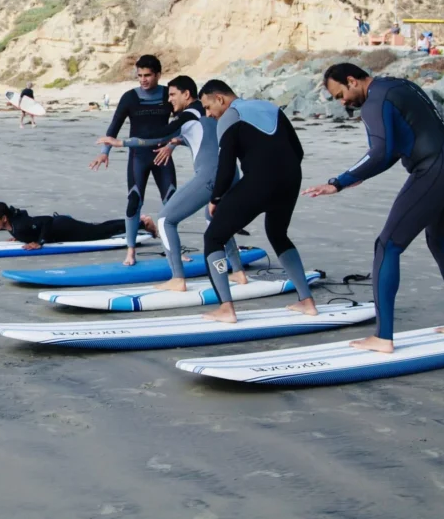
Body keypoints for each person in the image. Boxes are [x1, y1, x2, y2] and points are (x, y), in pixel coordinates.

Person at [303, 63, 444, 353]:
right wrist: (359, 175)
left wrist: (339, 182)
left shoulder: (374, 102)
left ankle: (383, 337)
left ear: (352, 80)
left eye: (339, 94)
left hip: (436, 169)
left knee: (387, 246)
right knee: (439, 239)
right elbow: (402, 143)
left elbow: (381, 152)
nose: (342, 102)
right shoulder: (400, 85)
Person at [98, 75, 245, 288]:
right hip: (232, 173)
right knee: (214, 219)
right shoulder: (207, 111)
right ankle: (238, 272)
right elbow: (205, 138)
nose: (169, 100)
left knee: (166, 220)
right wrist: (180, 140)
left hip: (211, 175)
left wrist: (121, 142)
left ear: (187, 94)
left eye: (173, 94)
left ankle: (177, 278)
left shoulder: (189, 112)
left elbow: (159, 135)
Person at [198, 80, 317, 323]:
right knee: (278, 233)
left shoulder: (230, 116)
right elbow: (298, 150)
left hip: (261, 182)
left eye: (208, 107)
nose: (209, 114)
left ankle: (225, 308)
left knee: (214, 237)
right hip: (291, 179)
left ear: (219, 98)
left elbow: (226, 166)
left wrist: (216, 198)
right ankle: (307, 301)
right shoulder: (268, 106)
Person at [90, 55, 176, 266]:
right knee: (134, 202)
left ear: (158, 74)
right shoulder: (129, 97)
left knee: (172, 204)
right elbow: (114, 127)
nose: (143, 80)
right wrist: (104, 152)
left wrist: (171, 146)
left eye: (148, 75)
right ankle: (131, 251)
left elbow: (184, 124)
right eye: (140, 76)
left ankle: (173, 250)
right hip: (138, 157)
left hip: (162, 155)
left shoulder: (168, 95)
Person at [0, 202, 155, 250]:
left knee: (100, 231)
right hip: (62, 227)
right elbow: (28, 221)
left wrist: (40, 242)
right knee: (98, 227)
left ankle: (142, 223)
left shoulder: (20, 226)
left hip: (65, 228)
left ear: (4, 218)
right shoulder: (16, 227)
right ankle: (138, 221)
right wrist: (21, 236)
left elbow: (45, 221)